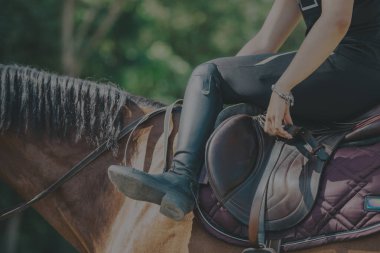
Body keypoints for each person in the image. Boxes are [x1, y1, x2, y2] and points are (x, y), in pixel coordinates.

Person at [108, 0, 380, 221]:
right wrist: (209, 95)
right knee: (211, 76)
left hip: (356, 68)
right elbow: (264, 42)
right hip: (346, 67)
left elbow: (336, 21)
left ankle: (180, 180)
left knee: (207, 74)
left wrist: (283, 87)